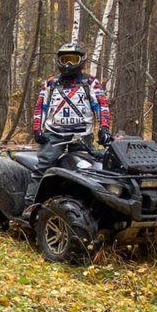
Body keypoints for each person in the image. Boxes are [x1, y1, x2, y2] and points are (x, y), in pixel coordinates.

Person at [24, 41, 112, 208]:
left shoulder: (90, 83)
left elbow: (101, 106)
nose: (69, 64)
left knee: (84, 169)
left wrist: (104, 128)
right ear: (59, 61)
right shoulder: (50, 83)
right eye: (65, 59)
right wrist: (37, 129)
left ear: (82, 60)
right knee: (43, 165)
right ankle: (30, 204)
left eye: (73, 59)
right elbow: (40, 107)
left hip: (81, 136)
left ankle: (80, 205)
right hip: (54, 134)